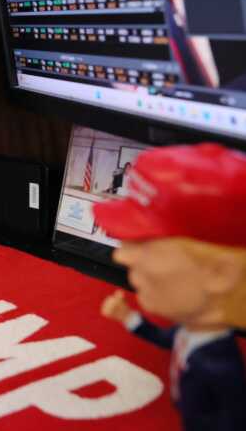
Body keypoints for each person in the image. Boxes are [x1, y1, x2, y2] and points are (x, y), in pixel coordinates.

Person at [96, 143, 246, 431]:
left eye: (145, 245)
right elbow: (169, 339)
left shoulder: (220, 367)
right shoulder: (191, 334)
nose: (121, 255)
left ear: (220, 274)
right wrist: (129, 318)